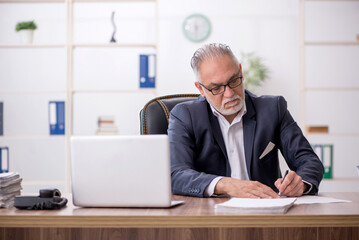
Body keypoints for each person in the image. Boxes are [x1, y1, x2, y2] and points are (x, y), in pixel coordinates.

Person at [168, 43, 324, 198]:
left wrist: (301, 184)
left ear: (241, 71)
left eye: (234, 80)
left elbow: (309, 161)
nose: (229, 94)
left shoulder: (272, 109)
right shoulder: (185, 116)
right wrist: (225, 184)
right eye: (216, 88)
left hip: (265, 210)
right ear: (201, 89)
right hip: (211, 213)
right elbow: (176, 175)